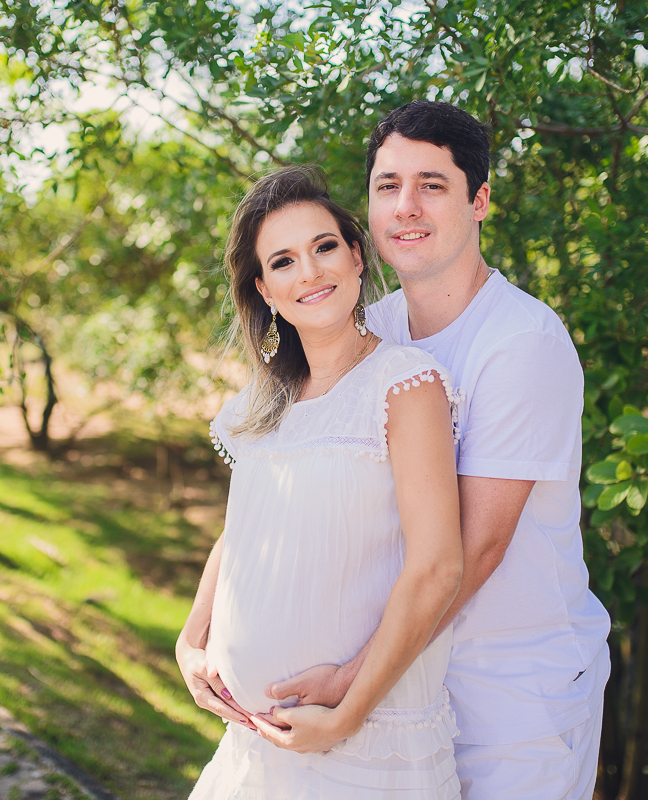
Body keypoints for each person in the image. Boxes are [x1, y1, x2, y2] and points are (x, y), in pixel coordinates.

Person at [265, 101, 613, 800]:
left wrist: (355, 680)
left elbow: (473, 550)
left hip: (515, 696)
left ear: (479, 200)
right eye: (388, 185)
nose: (406, 206)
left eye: (432, 184)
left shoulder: (522, 344)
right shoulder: (372, 332)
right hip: (412, 678)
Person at [176, 165, 466, 798]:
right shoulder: (263, 402)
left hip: (362, 745)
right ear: (265, 290)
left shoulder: (404, 384)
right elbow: (241, 535)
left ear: (357, 257)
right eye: (283, 261)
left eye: (324, 246)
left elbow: (438, 567)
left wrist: (348, 712)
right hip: (254, 750)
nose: (309, 272)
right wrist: (191, 639)